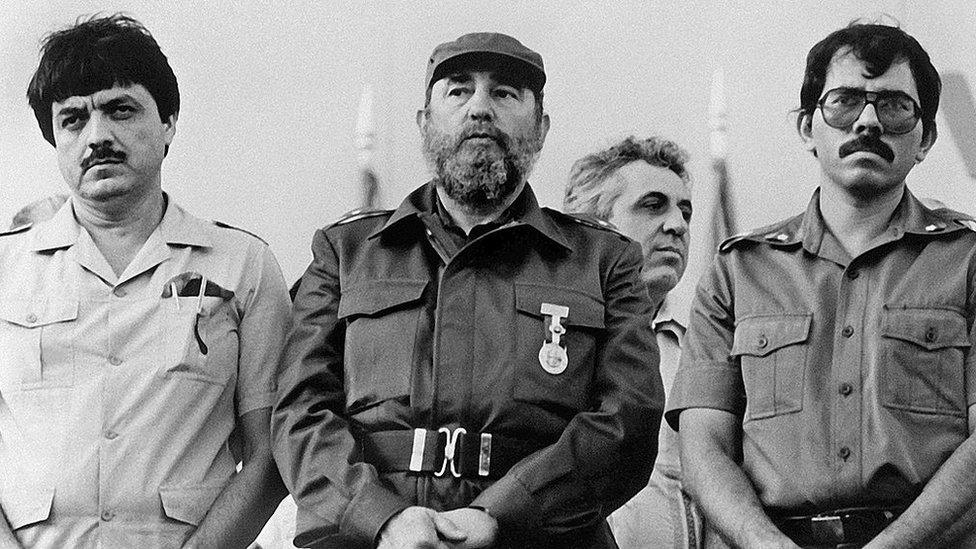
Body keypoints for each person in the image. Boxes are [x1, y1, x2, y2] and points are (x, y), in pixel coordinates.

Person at [272, 32, 663, 549]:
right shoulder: (346, 252)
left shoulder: (602, 260)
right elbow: (300, 411)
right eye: (458, 91)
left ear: (541, 128)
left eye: (505, 93)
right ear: (424, 123)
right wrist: (382, 518)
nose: (480, 108)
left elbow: (628, 422)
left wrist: (500, 514)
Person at [667, 22, 976, 548]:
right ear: (808, 128)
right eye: (845, 102)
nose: (870, 121)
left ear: (925, 139)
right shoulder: (739, 271)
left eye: (896, 106)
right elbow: (704, 450)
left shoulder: (968, 262)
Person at [0, 14, 290, 548]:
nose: (98, 136)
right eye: (73, 120)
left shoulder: (243, 265)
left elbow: (271, 454)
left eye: (120, 110)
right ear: (55, 140)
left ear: (168, 123)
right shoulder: (5, 269)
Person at [564, 135, 701, 549]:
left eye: (685, 211)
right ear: (594, 228)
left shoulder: (704, 348)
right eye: (652, 205)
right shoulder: (549, 344)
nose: (677, 225)